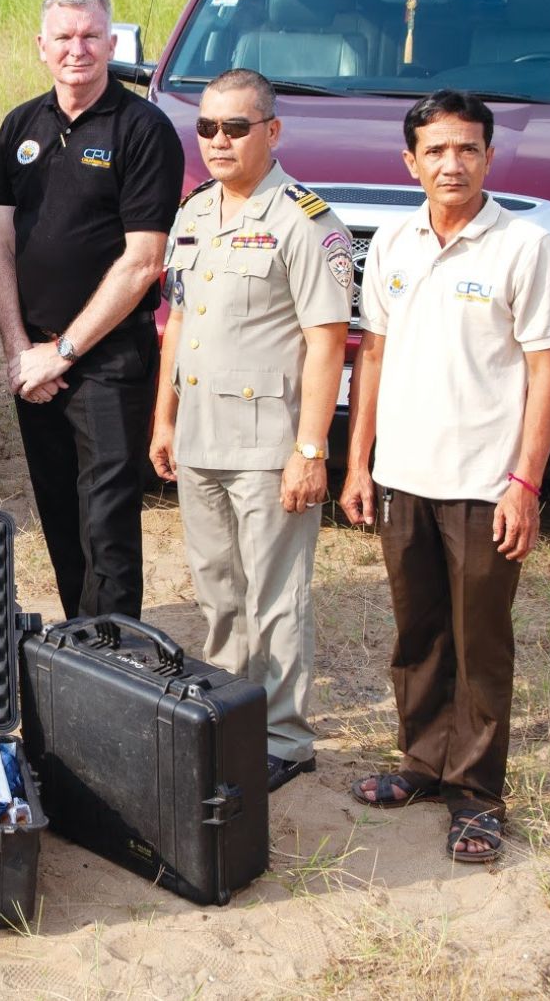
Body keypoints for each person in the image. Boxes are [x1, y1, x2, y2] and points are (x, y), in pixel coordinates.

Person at [338, 89, 550, 863]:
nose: (452, 163)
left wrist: (525, 483)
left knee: (480, 641)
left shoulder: (523, 247)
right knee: (418, 636)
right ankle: (421, 763)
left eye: (467, 148)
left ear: (489, 157)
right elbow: (370, 355)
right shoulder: (396, 242)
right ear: (410, 161)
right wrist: (359, 461)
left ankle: (475, 795)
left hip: (483, 483)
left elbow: (546, 370)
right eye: (436, 150)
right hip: (404, 475)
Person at [148, 69, 352, 794]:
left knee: (276, 596)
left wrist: (310, 448)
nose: (219, 141)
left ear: (272, 131)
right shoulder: (195, 211)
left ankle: (286, 736)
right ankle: (229, 717)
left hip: (270, 447)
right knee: (218, 591)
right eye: (207, 127)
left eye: (236, 127)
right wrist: (164, 416)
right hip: (202, 435)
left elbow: (327, 342)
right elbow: (175, 324)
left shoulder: (305, 220)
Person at [0, 0, 185, 618]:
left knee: (107, 525)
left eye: (92, 36)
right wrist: (21, 352)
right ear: (41, 46)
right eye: (65, 37)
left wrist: (62, 352)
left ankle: (115, 665)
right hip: (35, 370)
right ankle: (76, 652)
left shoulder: (144, 129)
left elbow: (143, 262)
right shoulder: (21, 124)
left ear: (112, 41)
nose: (79, 49)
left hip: (105, 364)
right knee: (59, 518)